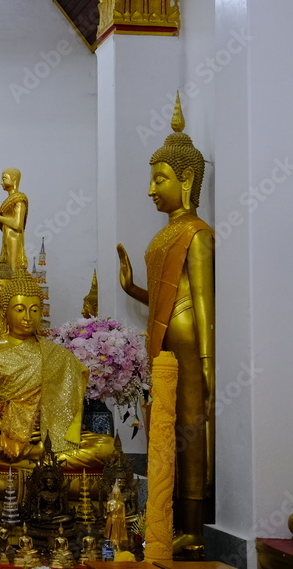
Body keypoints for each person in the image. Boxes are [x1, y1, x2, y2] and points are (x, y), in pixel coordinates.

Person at [116, 95, 214, 547]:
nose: (151, 189)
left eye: (161, 179)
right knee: (164, 423)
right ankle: (163, 518)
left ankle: (192, 529)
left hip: (191, 341)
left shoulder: (198, 233)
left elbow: (203, 297)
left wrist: (209, 359)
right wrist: (132, 287)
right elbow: (160, 296)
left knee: (191, 423)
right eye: (152, 179)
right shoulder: (163, 234)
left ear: (188, 178)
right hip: (164, 342)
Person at [0, 272, 113, 469]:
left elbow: (67, 403)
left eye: (34, 310)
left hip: (48, 435)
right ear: (5, 312)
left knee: (108, 447)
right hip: (2, 432)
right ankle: (41, 461)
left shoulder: (55, 353)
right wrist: (11, 429)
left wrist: (50, 428)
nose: (27, 318)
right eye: (19, 310)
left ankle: (28, 460)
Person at [0, 167, 28, 269]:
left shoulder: (19, 199)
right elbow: (3, 226)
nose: (1, 182)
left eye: (4, 179)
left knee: (13, 269)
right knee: (6, 268)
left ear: (14, 180)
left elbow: (18, 224)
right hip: (6, 237)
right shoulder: (7, 201)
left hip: (14, 238)